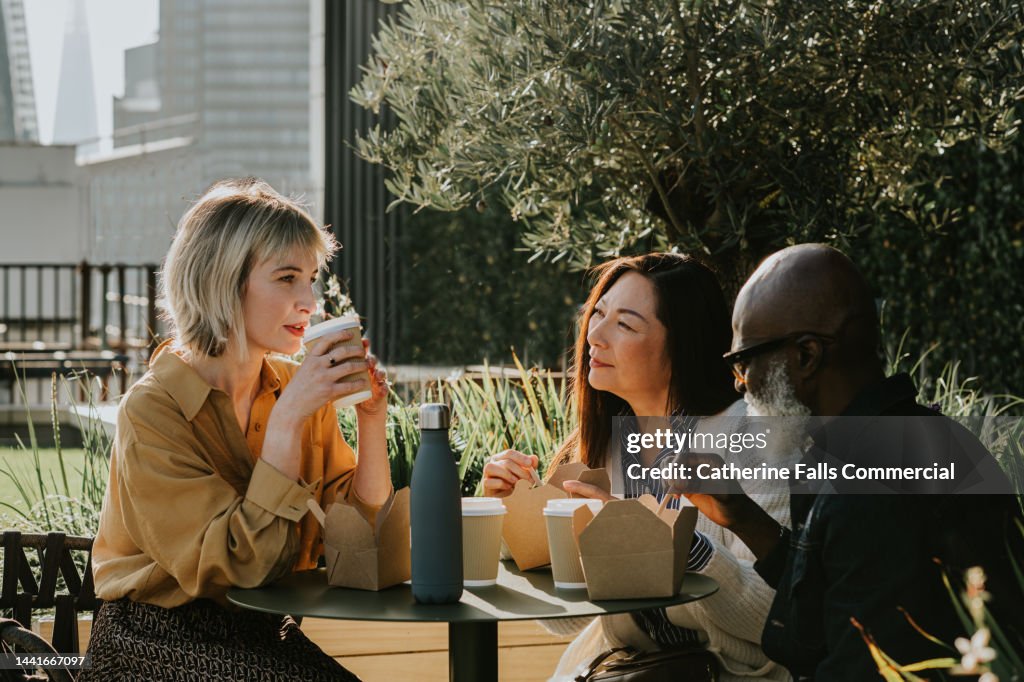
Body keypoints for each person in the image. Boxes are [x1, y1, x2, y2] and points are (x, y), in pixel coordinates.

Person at [80, 178, 391, 681]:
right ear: (221, 281)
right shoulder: (154, 410)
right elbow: (238, 567)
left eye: (311, 279)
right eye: (287, 278)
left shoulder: (294, 389)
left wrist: (371, 419)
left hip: (263, 630)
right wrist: (288, 419)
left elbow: (358, 538)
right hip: (150, 638)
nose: (309, 301)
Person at [680, 243, 1024, 679]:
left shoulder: (874, 485)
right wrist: (743, 518)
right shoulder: (880, 444)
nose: (739, 383)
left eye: (744, 361)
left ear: (806, 356)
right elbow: (831, 600)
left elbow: (858, 665)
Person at [483, 253, 795, 681]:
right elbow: (565, 619)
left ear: (682, 346)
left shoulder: (755, 437)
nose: (595, 336)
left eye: (625, 325)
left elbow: (776, 623)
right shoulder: (603, 445)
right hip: (628, 671)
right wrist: (514, 515)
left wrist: (675, 548)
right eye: (598, 314)